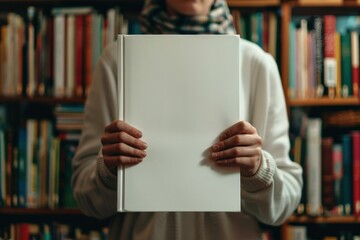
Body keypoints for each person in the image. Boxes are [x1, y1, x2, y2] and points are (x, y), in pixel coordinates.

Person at [71, 0, 303, 239]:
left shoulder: (256, 64)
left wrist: (258, 170)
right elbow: (86, 199)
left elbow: (285, 204)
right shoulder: (117, 61)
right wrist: (108, 170)